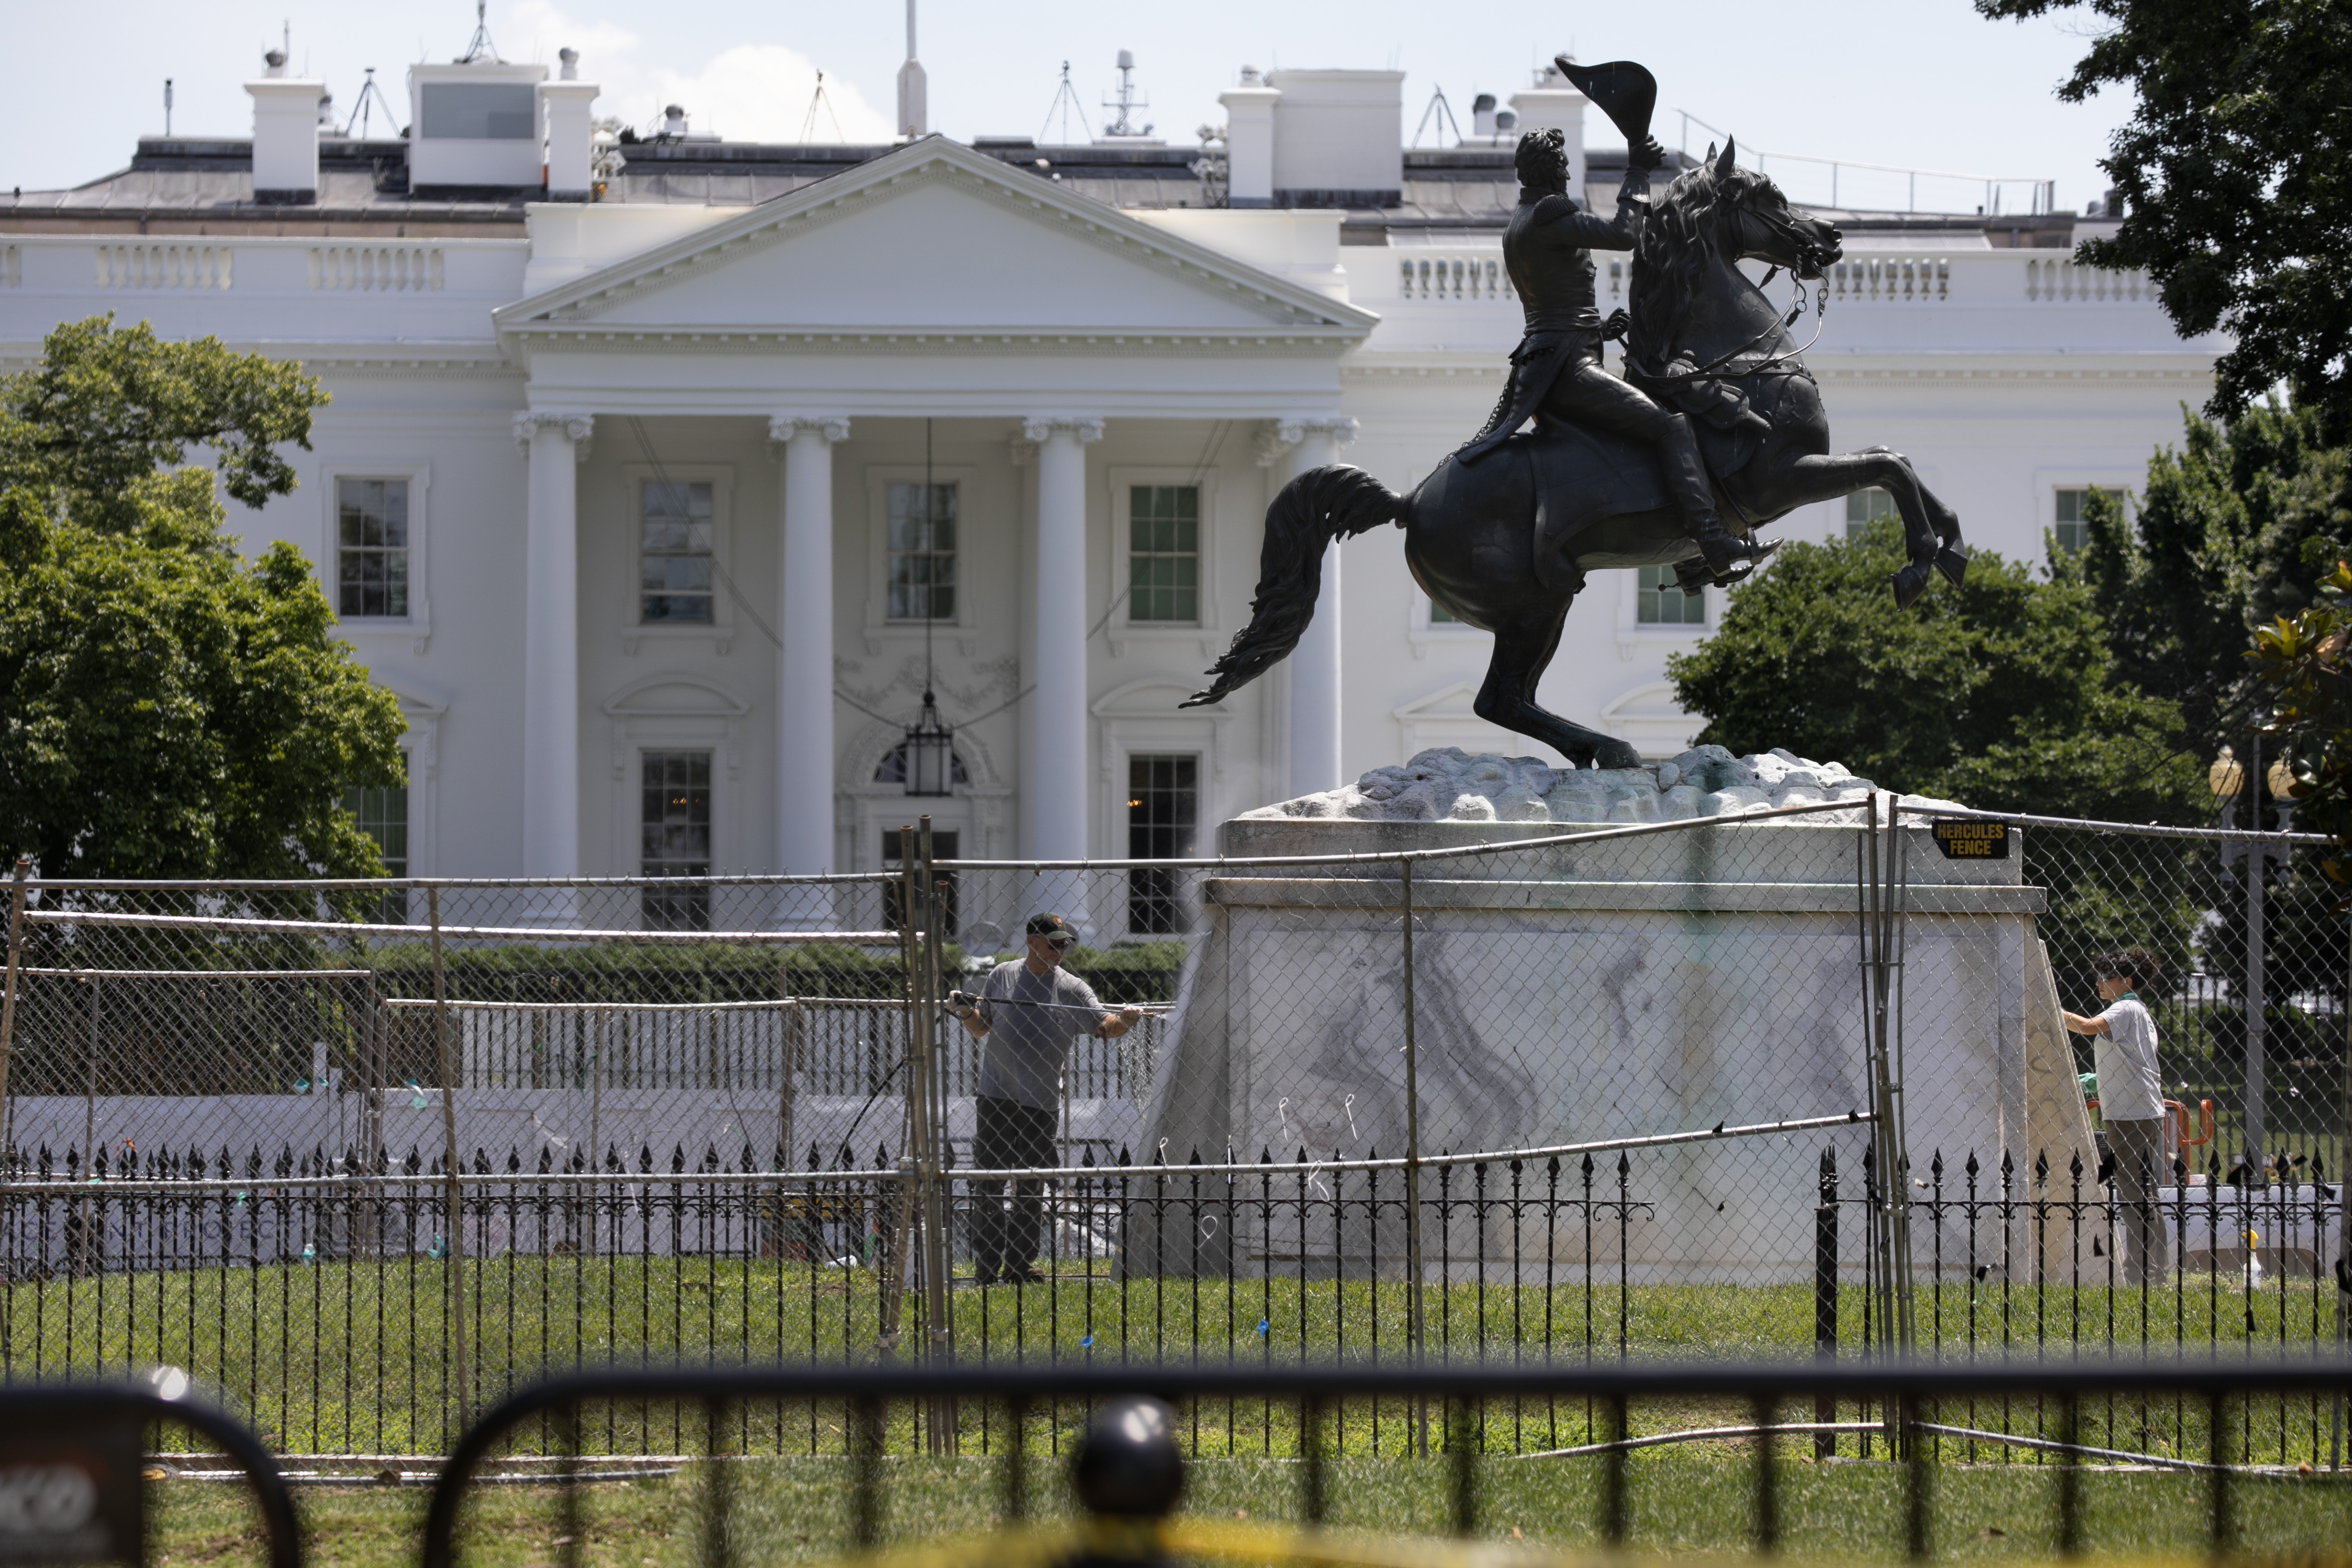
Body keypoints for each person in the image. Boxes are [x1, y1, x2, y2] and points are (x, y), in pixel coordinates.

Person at [1454, 122, 1771, 584]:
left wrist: (1598, 329)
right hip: (1568, 369)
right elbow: (1624, 233)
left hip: (1553, 358)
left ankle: (1687, 554)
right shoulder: (1547, 214)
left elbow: (1549, 307)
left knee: (1655, 416)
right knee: (1670, 427)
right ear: (1552, 169)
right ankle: (1711, 543)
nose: (1566, 170)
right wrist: (1637, 171)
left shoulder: (1518, 222)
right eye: (1562, 163)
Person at [949, 913, 1140, 1285]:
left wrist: (1127, 1020)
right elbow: (980, 1027)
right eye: (1052, 942)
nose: (1060, 949)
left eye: (1064, 943)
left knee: (1032, 1185)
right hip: (996, 1097)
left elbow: (1104, 1027)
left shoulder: (1073, 988)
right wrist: (962, 1010)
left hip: (1040, 1103)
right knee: (988, 1182)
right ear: (1031, 941)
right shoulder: (1002, 975)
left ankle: (1018, 1266)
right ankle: (987, 1266)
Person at [2062, 948, 2170, 1284]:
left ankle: (2141, 1274)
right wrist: (2097, 1080)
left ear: (2126, 981)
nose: (2097, 982)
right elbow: (2129, 1059)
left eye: (2105, 977)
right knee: (2143, 1190)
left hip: (2131, 1115)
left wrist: (2046, 1006)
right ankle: (2154, 1271)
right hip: (2138, 1110)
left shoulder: (2124, 1008)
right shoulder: (2135, 1010)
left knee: (2133, 1194)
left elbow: (2085, 1027)